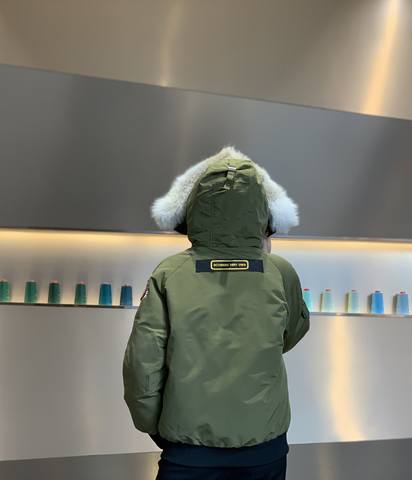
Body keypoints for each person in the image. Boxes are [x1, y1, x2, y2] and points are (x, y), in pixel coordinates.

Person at [123, 146, 310, 480]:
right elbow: (291, 333)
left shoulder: (169, 272)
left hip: (188, 449)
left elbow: (143, 362)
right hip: (264, 447)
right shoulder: (280, 271)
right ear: (260, 211)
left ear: (196, 208)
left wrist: (154, 425)